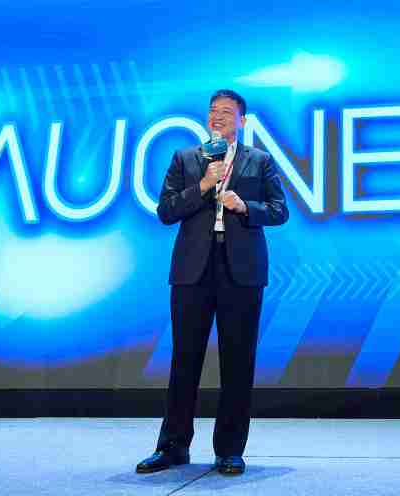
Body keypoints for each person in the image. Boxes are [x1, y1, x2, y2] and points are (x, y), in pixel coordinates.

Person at [136, 89, 289, 475]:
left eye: (226, 111)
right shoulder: (186, 158)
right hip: (193, 271)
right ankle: (173, 447)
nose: (217, 116)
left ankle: (230, 450)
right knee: (184, 360)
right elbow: (166, 210)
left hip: (242, 271)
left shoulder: (260, 161)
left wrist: (245, 206)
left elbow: (279, 210)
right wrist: (204, 185)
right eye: (213, 111)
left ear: (242, 120)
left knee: (238, 362)